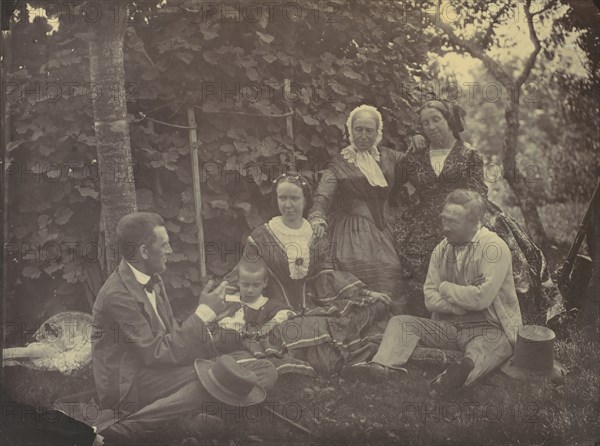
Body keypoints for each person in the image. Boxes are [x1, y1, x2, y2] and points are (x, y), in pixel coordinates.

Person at [91, 212, 277, 444]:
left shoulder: (153, 278)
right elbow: (155, 353)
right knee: (215, 377)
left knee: (264, 368)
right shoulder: (117, 295)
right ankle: (132, 427)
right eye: (164, 244)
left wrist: (211, 326)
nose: (170, 251)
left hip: (163, 369)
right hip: (131, 381)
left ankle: (187, 418)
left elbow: (173, 339)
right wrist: (202, 314)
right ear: (144, 251)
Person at [393, 99, 564, 322]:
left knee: (505, 254)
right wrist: (411, 145)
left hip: (465, 213)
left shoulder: (468, 153)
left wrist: (464, 217)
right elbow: (397, 180)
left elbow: (479, 192)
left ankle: (498, 318)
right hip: (424, 219)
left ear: (450, 121)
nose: (431, 127)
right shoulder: (416, 154)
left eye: (436, 120)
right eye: (425, 123)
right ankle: (429, 321)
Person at [346, 190, 522, 394]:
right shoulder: (442, 249)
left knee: (486, 349)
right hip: (450, 326)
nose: (445, 227)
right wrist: (459, 303)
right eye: (444, 220)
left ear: (474, 223)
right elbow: (430, 298)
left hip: (490, 328)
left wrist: (445, 288)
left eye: (453, 222)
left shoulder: (494, 248)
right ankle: (380, 367)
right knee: (400, 323)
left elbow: (481, 299)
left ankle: (452, 379)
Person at [224, 173, 392, 375]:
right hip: (276, 313)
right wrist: (216, 300)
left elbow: (327, 276)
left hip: (313, 305)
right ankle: (343, 365)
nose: (288, 205)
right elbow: (245, 273)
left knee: (369, 308)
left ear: (305, 201)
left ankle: (342, 365)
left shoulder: (316, 236)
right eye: (282, 198)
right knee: (303, 329)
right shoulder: (261, 236)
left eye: (294, 198)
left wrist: (365, 293)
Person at [308, 104, 425, 315]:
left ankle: (395, 326)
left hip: (390, 228)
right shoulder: (339, 163)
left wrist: (419, 141)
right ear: (350, 131)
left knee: (395, 269)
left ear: (377, 132)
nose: (363, 135)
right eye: (358, 129)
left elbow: (420, 173)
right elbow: (323, 195)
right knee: (362, 267)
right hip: (353, 233)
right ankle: (366, 326)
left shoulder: (391, 157)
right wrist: (317, 217)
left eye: (369, 130)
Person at [217, 257, 293, 357]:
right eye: (245, 285)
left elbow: (287, 312)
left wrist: (272, 323)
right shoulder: (230, 299)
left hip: (248, 344)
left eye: (256, 285)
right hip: (223, 340)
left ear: (265, 283)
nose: (250, 290)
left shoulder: (267, 304)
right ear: (237, 281)